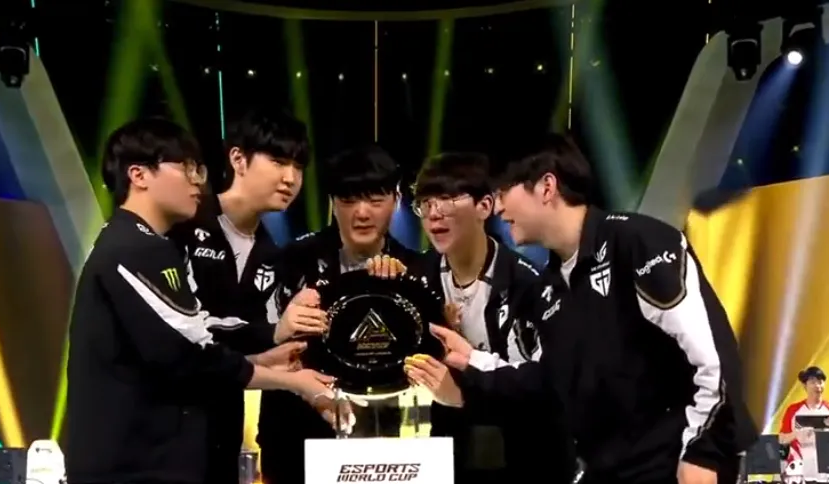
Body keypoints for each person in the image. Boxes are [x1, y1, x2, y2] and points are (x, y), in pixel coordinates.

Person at [405, 133, 758, 484]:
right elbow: (546, 381)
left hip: (676, 466)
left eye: (503, 192)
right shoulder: (548, 289)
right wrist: (472, 360)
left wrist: (702, 453)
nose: (498, 208)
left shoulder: (638, 243)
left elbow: (713, 357)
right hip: (606, 470)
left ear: (546, 187)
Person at [65, 118, 342, 484]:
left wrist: (268, 349)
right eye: (187, 168)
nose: (197, 180)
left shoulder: (272, 254)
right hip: (138, 456)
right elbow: (191, 348)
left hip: (196, 445)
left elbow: (188, 343)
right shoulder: (147, 243)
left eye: (298, 166)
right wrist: (289, 377)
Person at [166, 108, 320, 483]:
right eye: (278, 161)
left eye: (298, 167)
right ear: (238, 158)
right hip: (162, 426)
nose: (290, 178)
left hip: (222, 428)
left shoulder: (273, 255)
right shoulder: (182, 224)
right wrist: (274, 333)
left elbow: (249, 348)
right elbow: (183, 331)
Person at [257, 145, 421, 484]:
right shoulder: (291, 261)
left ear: (396, 199)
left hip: (385, 443)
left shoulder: (416, 271)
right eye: (348, 200)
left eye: (375, 200)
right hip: (294, 438)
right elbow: (258, 341)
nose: (362, 213)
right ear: (332, 202)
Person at [408, 152, 574, 483]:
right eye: (425, 203)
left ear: (484, 206)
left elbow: (548, 385)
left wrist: (466, 386)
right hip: (445, 454)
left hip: (527, 454)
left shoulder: (529, 285)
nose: (434, 213)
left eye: (448, 199)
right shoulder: (416, 278)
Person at [779, 366, 829, 482]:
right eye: (813, 382)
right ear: (805, 386)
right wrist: (797, 434)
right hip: (799, 471)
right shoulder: (793, 410)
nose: (817, 386)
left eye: (820, 382)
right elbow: (781, 440)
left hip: (825, 473)